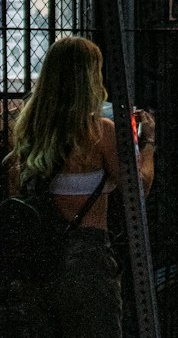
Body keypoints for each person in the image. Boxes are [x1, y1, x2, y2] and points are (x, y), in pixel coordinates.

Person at [3, 34, 155, 338]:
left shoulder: (27, 129)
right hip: (88, 259)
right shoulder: (102, 133)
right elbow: (138, 192)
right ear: (90, 77)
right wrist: (147, 143)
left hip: (38, 262)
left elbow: (15, 187)